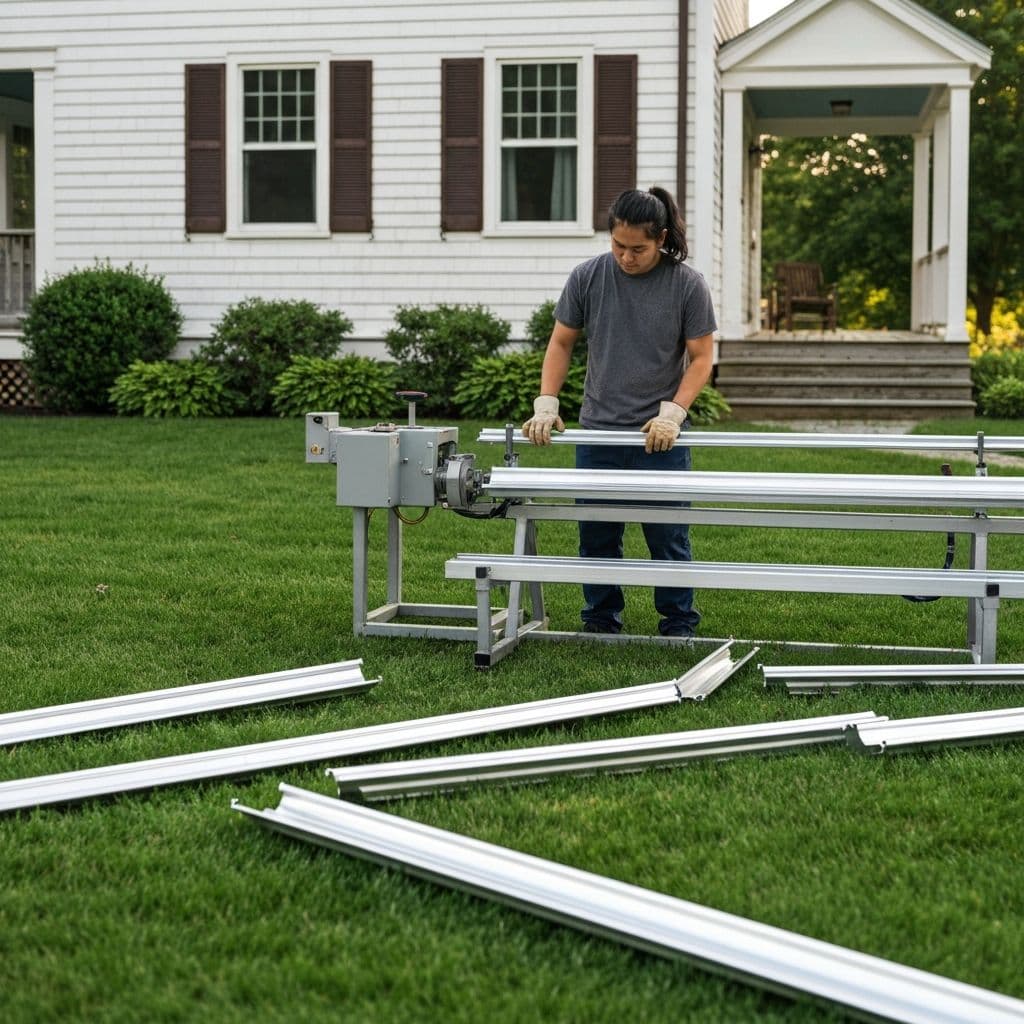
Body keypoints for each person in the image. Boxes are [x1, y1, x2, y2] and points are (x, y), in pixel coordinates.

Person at [522, 185, 716, 638]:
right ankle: (600, 619)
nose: (627, 257)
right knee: (597, 536)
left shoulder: (687, 284)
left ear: (662, 237)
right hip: (599, 433)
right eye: (618, 246)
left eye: (639, 249)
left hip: (658, 436)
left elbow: (702, 358)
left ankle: (678, 623)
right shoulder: (587, 276)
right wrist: (547, 402)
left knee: (668, 537)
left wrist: (674, 413)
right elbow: (561, 342)